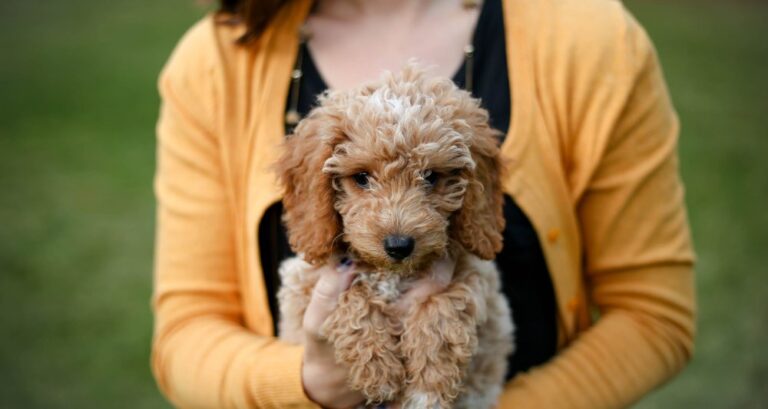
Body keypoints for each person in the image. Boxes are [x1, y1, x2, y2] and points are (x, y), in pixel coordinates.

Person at [150, 0, 696, 408]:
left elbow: (653, 318)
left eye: (435, 179)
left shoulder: (594, 40)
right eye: (361, 179)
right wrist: (307, 383)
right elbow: (182, 337)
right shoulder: (213, 63)